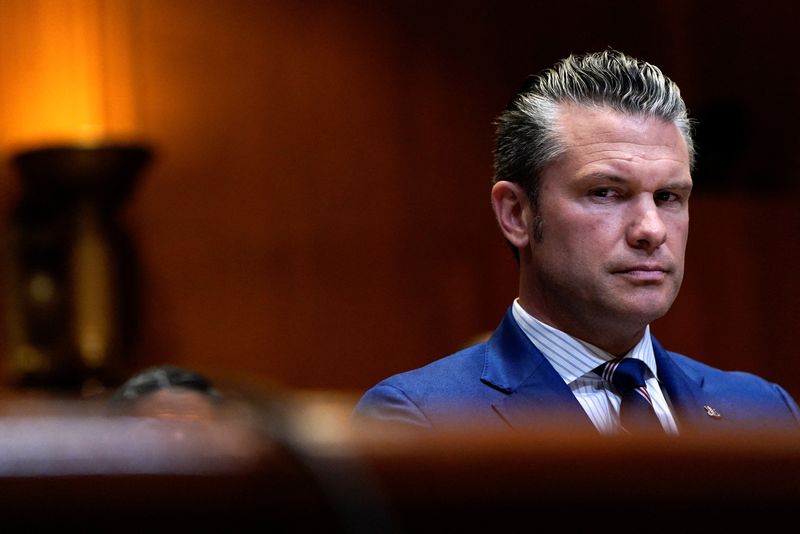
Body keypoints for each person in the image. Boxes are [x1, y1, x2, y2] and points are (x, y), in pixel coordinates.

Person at [352, 50, 800, 435]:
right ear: (516, 214)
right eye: (606, 192)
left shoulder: (765, 412)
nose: (651, 229)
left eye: (668, 197)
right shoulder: (423, 420)